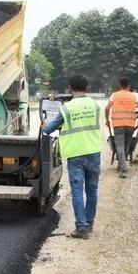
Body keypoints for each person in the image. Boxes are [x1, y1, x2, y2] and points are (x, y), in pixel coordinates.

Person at [43, 74, 102, 239]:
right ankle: (89, 224)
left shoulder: (67, 108)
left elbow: (48, 129)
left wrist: (45, 126)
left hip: (76, 155)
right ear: (87, 88)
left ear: (70, 88)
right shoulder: (95, 105)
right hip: (93, 151)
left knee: (77, 190)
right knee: (92, 190)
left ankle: (81, 228)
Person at [104, 77, 138, 178]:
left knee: (119, 147)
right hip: (130, 125)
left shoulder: (115, 95)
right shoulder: (133, 96)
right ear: (128, 86)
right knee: (126, 146)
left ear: (120, 85)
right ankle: (121, 165)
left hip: (118, 125)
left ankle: (123, 169)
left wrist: (107, 120)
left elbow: (106, 108)